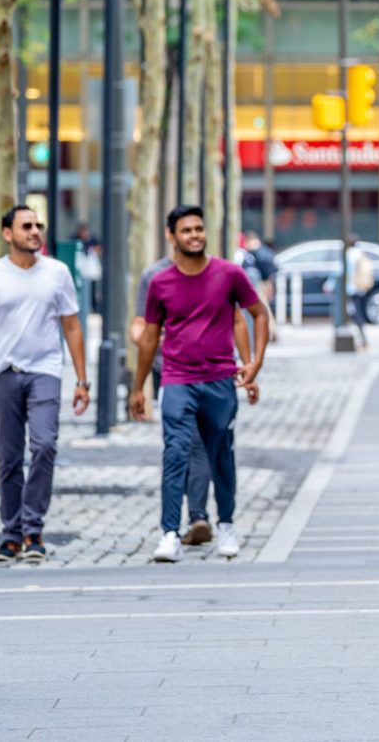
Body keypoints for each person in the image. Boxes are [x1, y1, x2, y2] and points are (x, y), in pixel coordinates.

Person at [0, 205, 90, 563]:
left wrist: (82, 380)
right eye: (27, 226)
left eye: (38, 225)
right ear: (7, 234)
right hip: (4, 373)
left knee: (44, 445)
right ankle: (11, 537)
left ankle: (33, 530)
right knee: (9, 457)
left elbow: (72, 327)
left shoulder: (57, 273)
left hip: (46, 371)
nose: (35, 231)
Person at [130, 205, 269, 562]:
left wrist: (253, 364)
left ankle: (226, 526)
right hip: (177, 379)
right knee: (175, 453)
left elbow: (256, 315)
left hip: (220, 379)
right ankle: (170, 533)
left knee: (221, 454)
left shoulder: (229, 274)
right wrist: (138, 387)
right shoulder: (160, 282)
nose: (195, 235)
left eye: (199, 229)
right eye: (187, 230)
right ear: (171, 236)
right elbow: (148, 337)